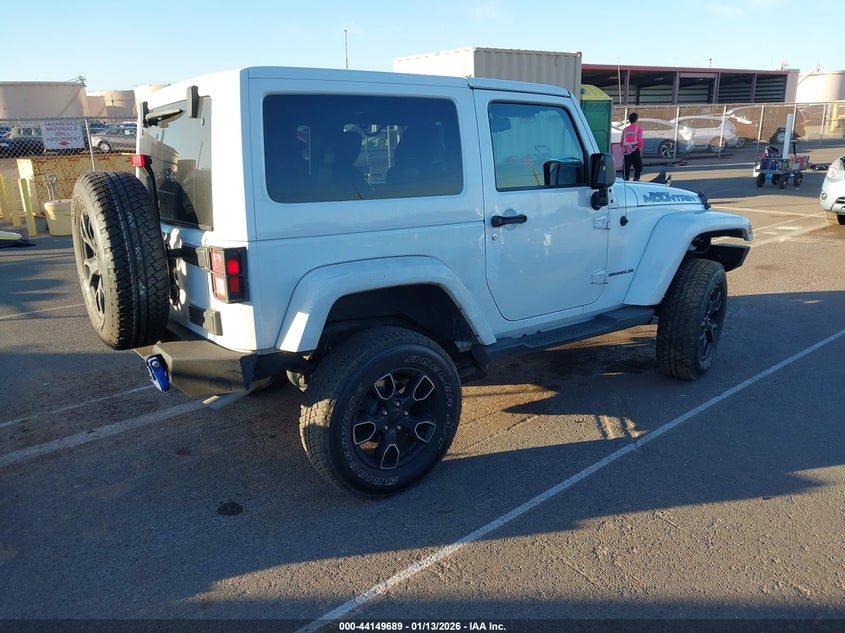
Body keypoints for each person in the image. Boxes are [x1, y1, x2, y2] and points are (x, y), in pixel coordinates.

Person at [621, 112, 644, 181]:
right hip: (635, 150)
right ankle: (636, 178)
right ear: (636, 120)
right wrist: (640, 149)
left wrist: (624, 149)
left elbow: (622, 141)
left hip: (626, 151)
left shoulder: (625, 130)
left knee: (626, 167)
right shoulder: (638, 129)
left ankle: (626, 179)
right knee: (638, 166)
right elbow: (640, 141)